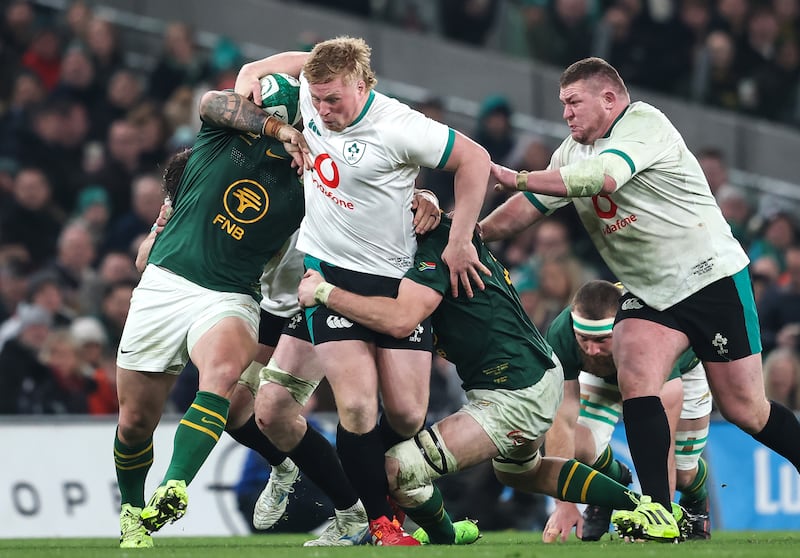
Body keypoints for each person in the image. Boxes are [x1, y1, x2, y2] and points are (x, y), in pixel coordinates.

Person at [483, 56, 800, 540]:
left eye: (574, 102)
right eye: (562, 104)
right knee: (635, 369)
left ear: (609, 99)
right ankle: (658, 512)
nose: (565, 113)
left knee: (745, 409)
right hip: (650, 293)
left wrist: (517, 175)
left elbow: (604, 180)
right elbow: (528, 208)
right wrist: (472, 236)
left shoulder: (644, 124)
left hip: (709, 279)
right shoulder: (571, 153)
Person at [234, 36, 492, 545]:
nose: (324, 110)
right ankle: (369, 518)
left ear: (361, 83)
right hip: (326, 278)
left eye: (334, 99)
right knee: (349, 408)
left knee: (408, 413)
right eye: (317, 97)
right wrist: (282, 124)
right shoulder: (311, 94)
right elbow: (251, 71)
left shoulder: (398, 125)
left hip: (393, 284)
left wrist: (459, 237)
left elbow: (476, 159)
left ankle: (386, 509)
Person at [297, 214, 683, 544]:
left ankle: (447, 536)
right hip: (527, 377)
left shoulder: (435, 246)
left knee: (398, 469)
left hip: (513, 391)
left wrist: (324, 291)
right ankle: (641, 505)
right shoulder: (442, 231)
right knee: (521, 472)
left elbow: (399, 319)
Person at [113, 83, 311, 548]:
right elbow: (210, 101)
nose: (250, 105)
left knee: (222, 374)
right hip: (166, 283)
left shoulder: (313, 172)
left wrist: (421, 199)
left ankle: (175, 484)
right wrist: (276, 128)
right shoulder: (220, 134)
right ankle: (130, 513)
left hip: (232, 294)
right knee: (135, 421)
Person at [542, 280, 712, 542]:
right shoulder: (562, 332)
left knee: (682, 473)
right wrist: (563, 503)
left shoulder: (650, 334)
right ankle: (611, 480)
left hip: (673, 374)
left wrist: (658, 516)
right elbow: (561, 420)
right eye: (583, 339)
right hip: (604, 377)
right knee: (575, 444)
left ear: (621, 330)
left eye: (601, 340)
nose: (592, 350)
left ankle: (697, 500)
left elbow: (659, 441)